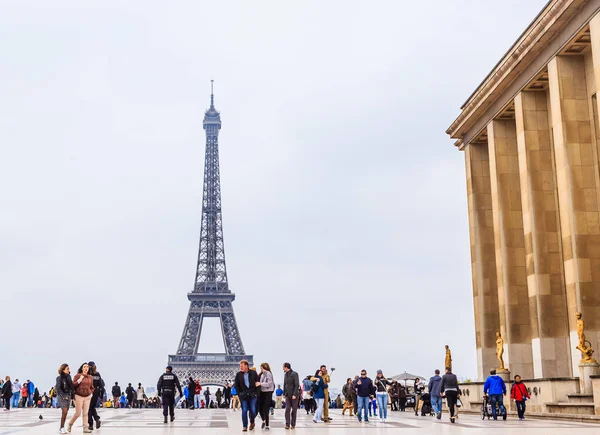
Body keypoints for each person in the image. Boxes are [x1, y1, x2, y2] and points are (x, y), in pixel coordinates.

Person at [67, 362, 95, 434]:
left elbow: (92, 387)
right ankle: (70, 424)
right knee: (78, 413)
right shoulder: (77, 375)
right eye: (84, 367)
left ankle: (85, 428)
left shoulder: (90, 377)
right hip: (78, 396)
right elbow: (73, 385)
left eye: (87, 367)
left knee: (85, 413)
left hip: (87, 396)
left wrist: (91, 392)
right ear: (82, 368)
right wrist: (79, 380)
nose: (86, 368)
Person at [234, 359, 260, 432]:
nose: (240, 367)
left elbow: (258, 383)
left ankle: (252, 422)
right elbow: (237, 385)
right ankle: (245, 426)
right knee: (244, 410)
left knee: (253, 410)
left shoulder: (253, 373)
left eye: (242, 366)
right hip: (243, 396)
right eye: (240, 366)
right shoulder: (238, 374)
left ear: (246, 366)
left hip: (252, 395)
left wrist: (256, 394)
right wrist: (239, 394)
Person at [56, 364, 74, 433]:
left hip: (68, 395)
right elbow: (58, 388)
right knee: (64, 411)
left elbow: (71, 386)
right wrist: (63, 396)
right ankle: (61, 427)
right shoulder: (59, 378)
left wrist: (72, 394)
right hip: (61, 396)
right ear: (63, 370)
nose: (69, 370)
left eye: (69, 369)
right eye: (67, 369)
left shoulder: (69, 377)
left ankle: (62, 427)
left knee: (65, 413)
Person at [282, 362, 299, 429]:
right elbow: (284, 384)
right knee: (287, 410)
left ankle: (293, 424)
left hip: (294, 395)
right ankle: (287, 424)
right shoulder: (285, 374)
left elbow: (296, 384)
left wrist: (295, 394)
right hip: (287, 395)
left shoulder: (294, 374)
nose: (283, 369)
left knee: (294, 410)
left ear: (286, 367)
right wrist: (284, 393)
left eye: (283, 367)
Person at [87, 362, 104, 430]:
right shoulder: (97, 374)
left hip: (89, 391)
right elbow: (101, 385)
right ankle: (97, 419)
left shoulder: (88, 374)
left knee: (89, 408)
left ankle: (90, 424)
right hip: (96, 392)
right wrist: (101, 395)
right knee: (92, 407)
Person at [258, 363, 275, 430]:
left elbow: (269, 383)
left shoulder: (268, 373)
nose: (260, 369)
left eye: (261, 368)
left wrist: (260, 384)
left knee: (265, 408)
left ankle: (267, 424)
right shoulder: (262, 374)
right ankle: (264, 420)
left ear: (263, 367)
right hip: (262, 392)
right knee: (260, 407)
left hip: (267, 392)